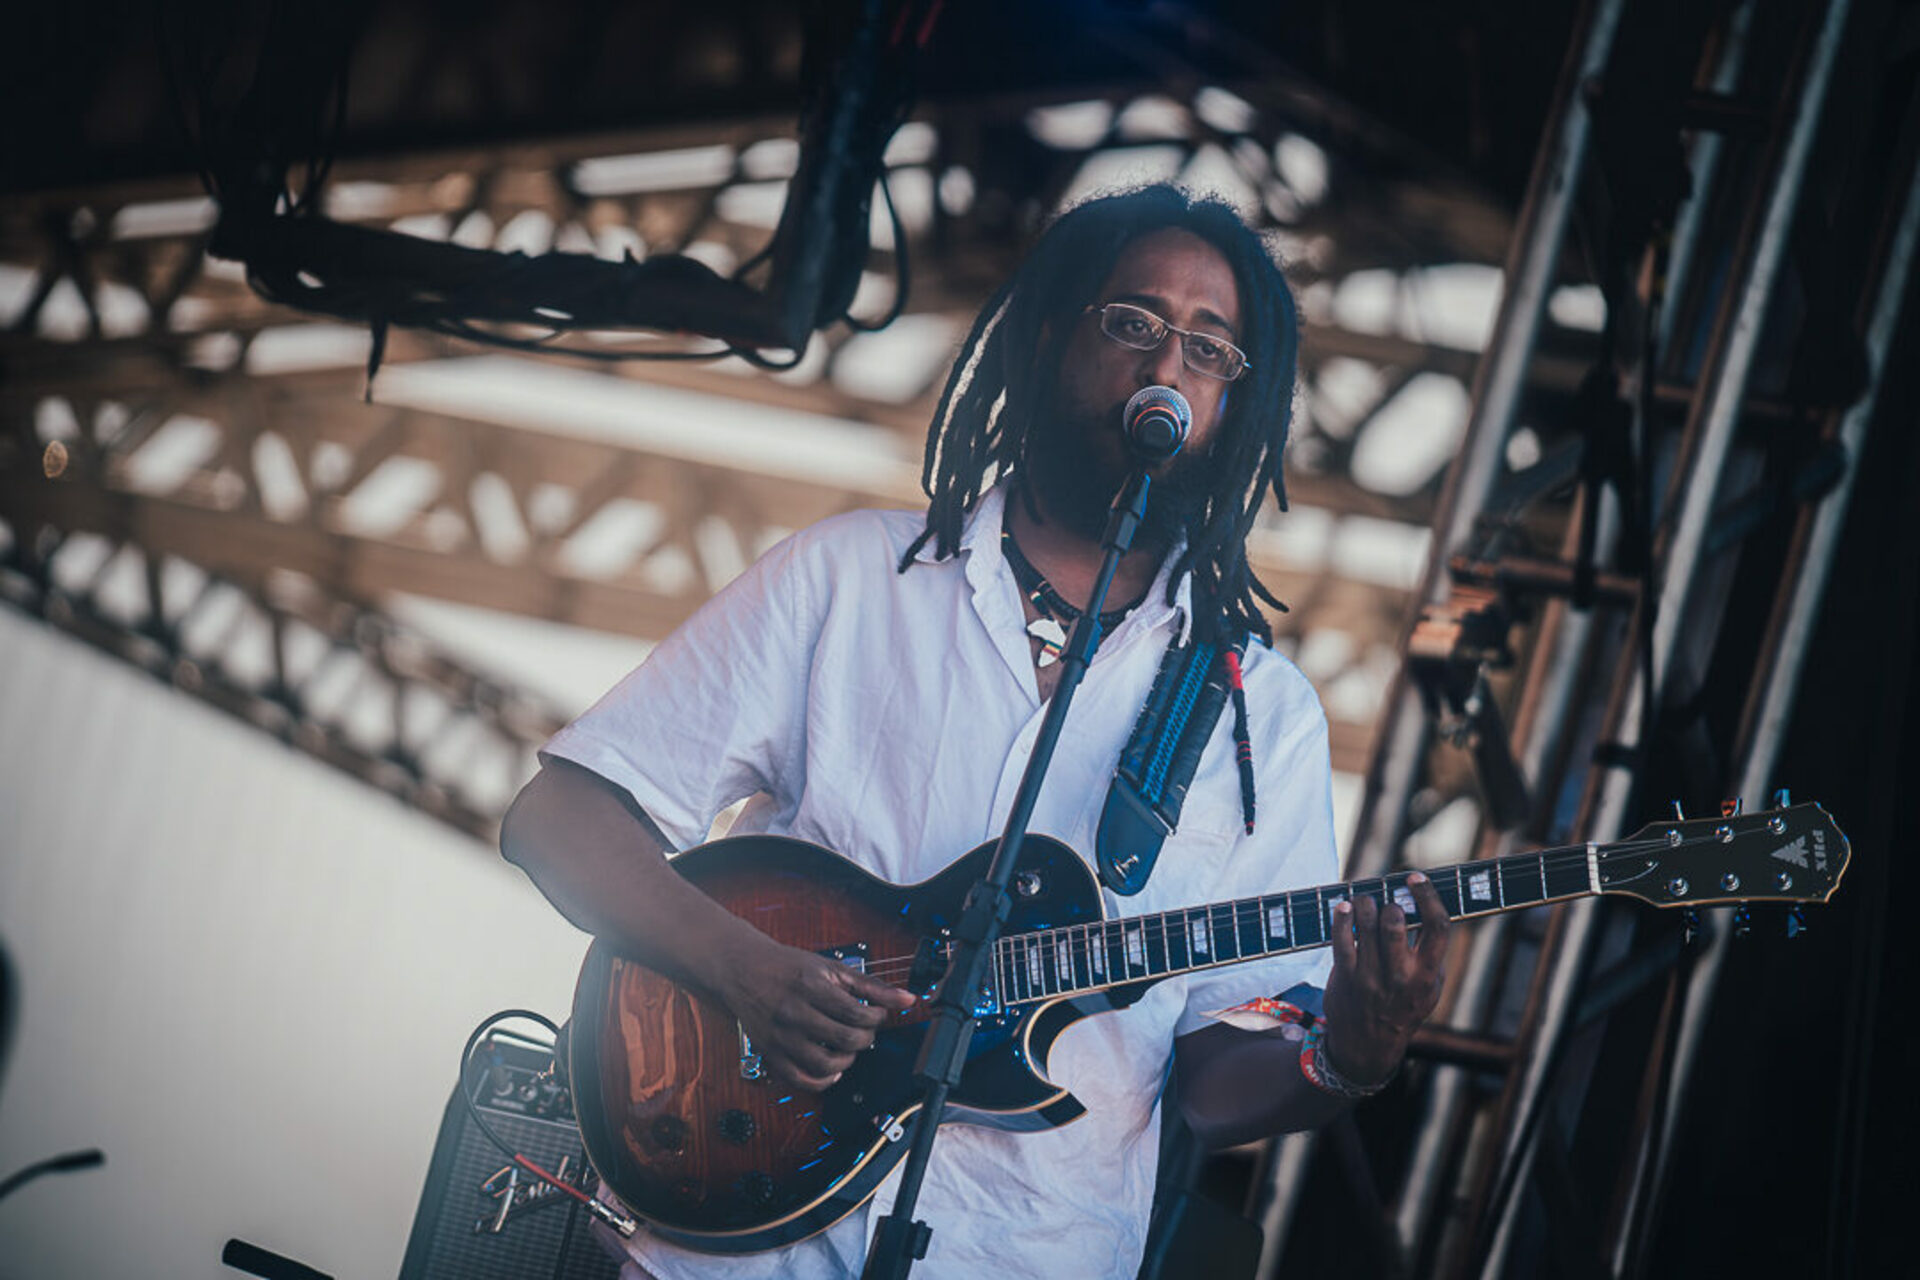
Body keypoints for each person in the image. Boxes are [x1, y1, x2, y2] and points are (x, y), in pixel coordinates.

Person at [500, 183, 1450, 1279]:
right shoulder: (853, 579)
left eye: (1208, 349)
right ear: (1049, 336)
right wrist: (745, 971)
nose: (1165, 366)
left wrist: (1352, 1053)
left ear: (1236, 405)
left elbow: (1209, 1079)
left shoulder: (1262, 717)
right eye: (1134, 321)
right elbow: (557, 819)